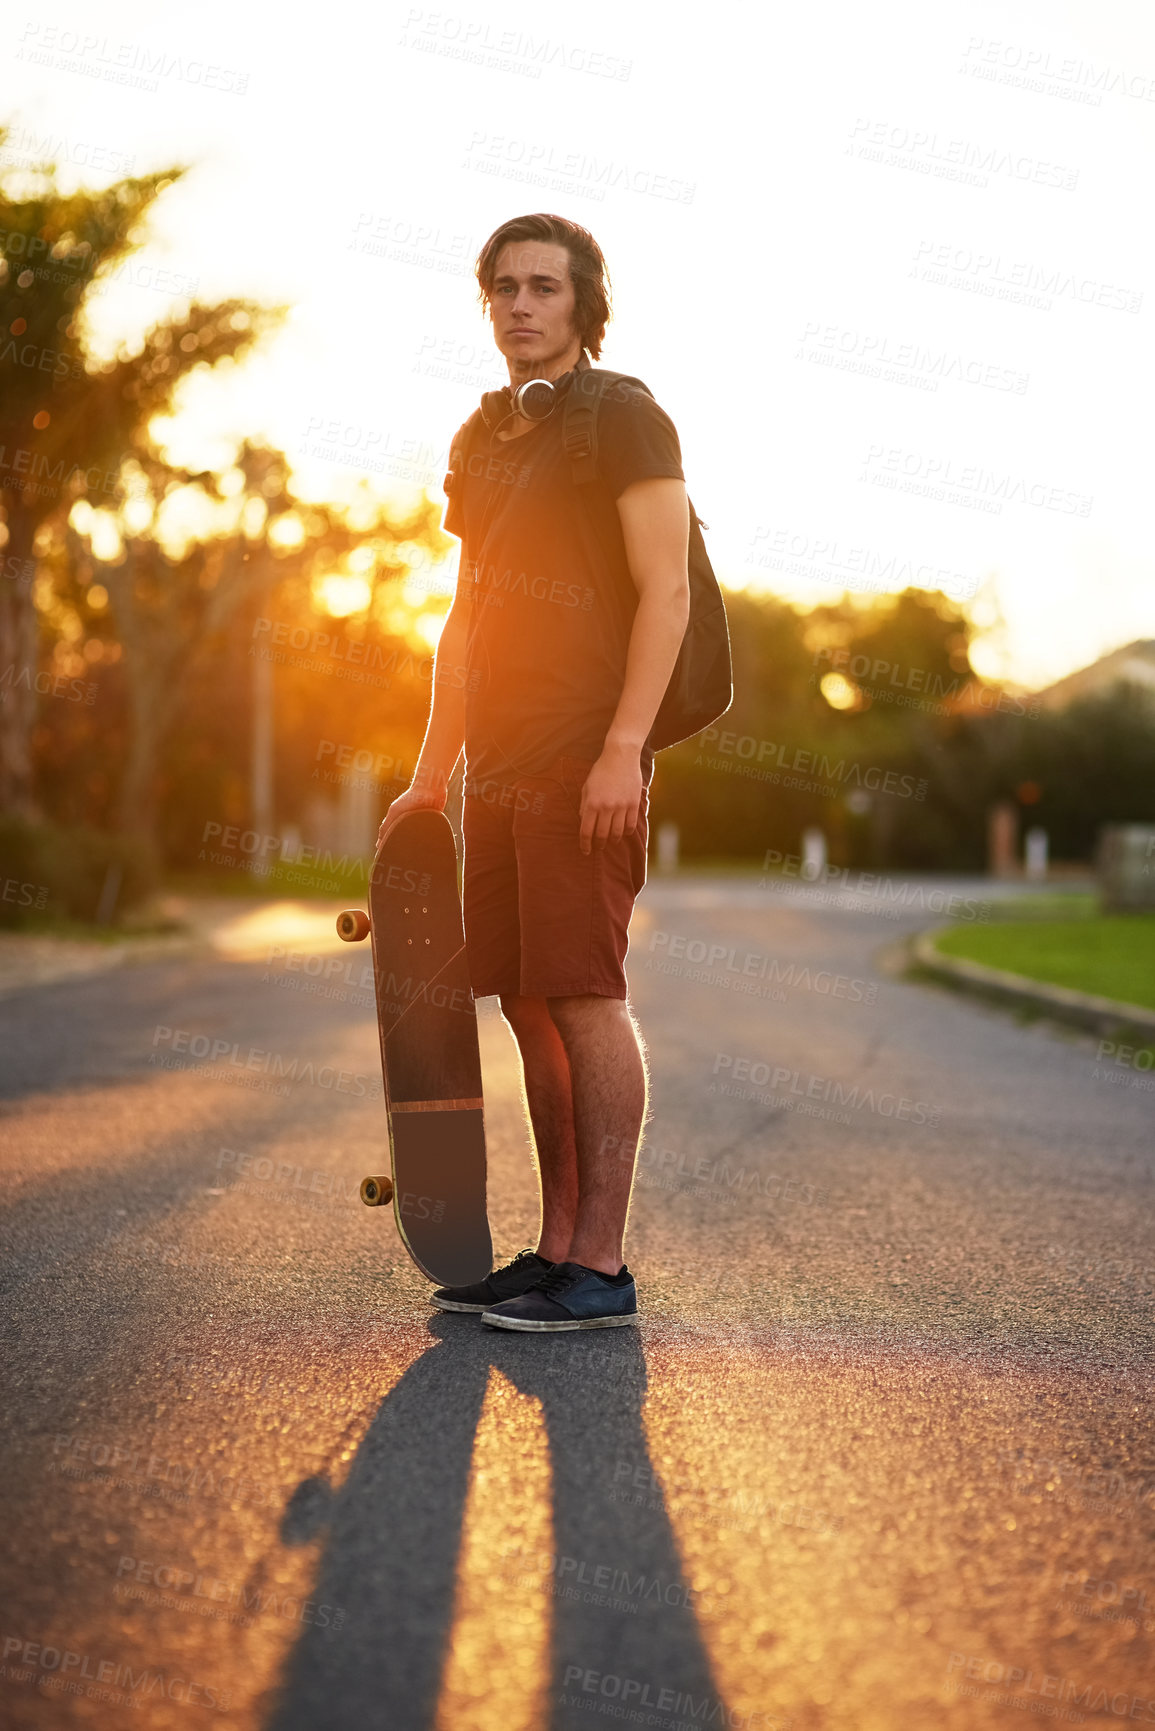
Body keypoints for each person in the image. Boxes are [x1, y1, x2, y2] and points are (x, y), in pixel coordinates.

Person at [380, 212, 690, 1331]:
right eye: (503, 287)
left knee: (586, 996)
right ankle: (556, 1245)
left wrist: (621, 749)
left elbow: (669, 591)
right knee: (522, 1002)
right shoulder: (483, 438)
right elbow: (464, 616)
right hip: (498, 767)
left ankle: (600, 1267)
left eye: (544, 287)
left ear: (583, 306)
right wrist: (429, 777)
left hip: (580, 757)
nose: (520, 305)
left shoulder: (626, 419)